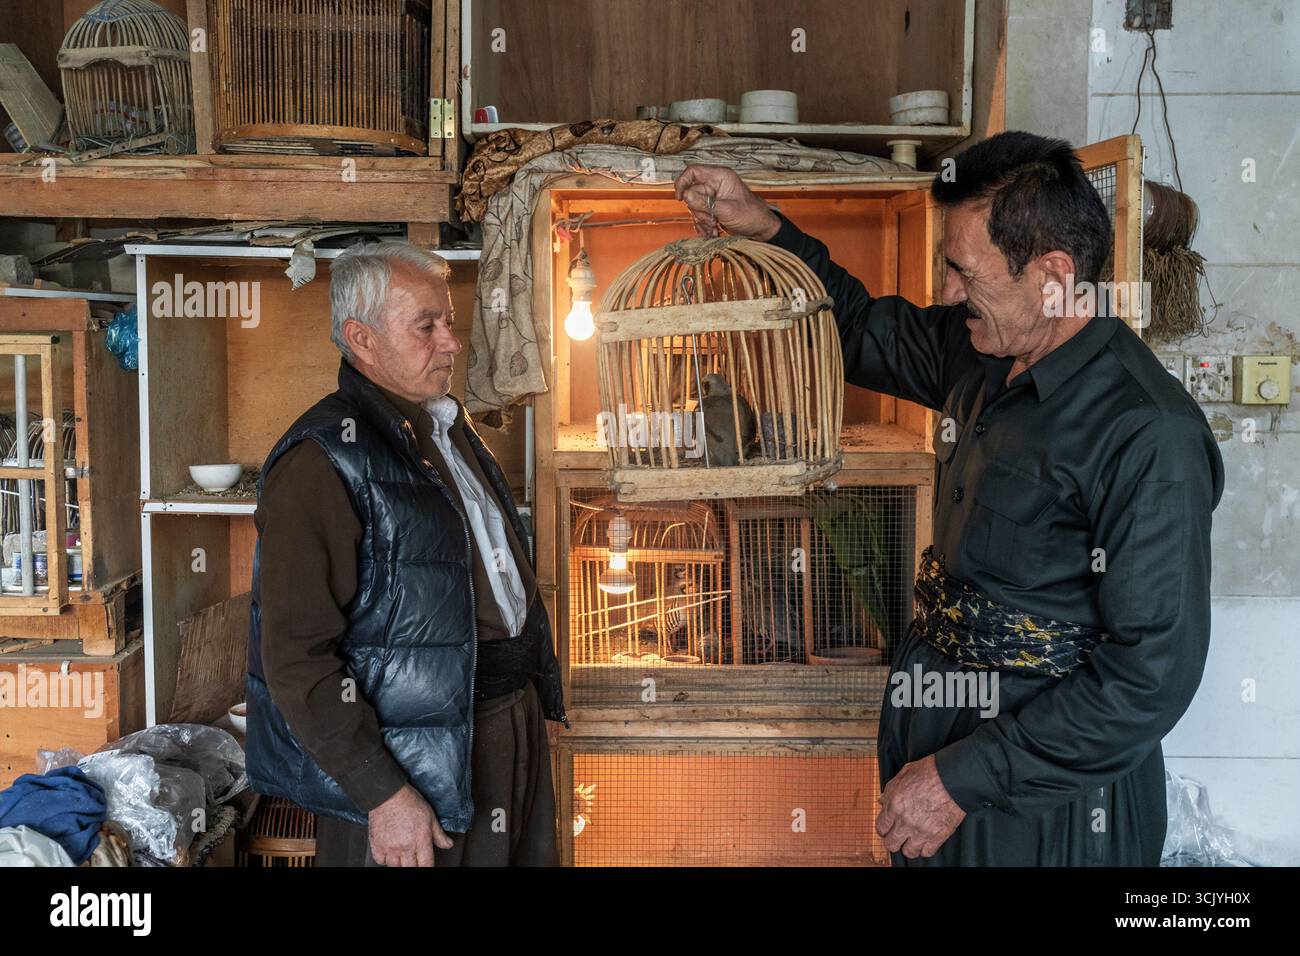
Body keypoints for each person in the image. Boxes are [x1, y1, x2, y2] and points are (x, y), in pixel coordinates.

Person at [675, 131, 1224, 866]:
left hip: (1047, 811)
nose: (944, 291)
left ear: (1054, 275)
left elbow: (1149, 678)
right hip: (944, 762)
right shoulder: (984, 350)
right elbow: (861, 326)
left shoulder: (1147, 433)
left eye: (963, 269)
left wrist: (961, 779)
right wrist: (765, 225)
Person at [245, 242, 567, 867]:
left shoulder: (444, 427)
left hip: (505, 728)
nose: (450, 343)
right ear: (361, 339)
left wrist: (541, 702)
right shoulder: (322, 460)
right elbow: (294, 658)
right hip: (412, 769)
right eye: (428, 327)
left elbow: (507, 577)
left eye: (448, 323)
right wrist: (383, 795)